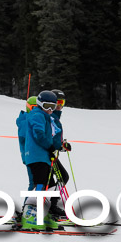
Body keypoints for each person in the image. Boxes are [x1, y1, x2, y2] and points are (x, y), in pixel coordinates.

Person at [21, 90, 63, 231]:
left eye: (53, 106)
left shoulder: (45, 116)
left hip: (43, 156)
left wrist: (57, 146)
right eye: (47, 106)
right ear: (39, 104)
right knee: (40, 184)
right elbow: (38, 134)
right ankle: (30, 216)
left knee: (49, 184)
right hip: (36, 155)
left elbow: (51, 134)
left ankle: (43, 214)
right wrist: (49, 146)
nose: (50, 109)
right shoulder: (37, 115)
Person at [48, 89, 72, 219]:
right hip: (48, 154)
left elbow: (55, 137)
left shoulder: (55, 117)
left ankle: (52, 206)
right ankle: (51, 207)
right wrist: (56, 146)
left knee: (61, 178)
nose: (59, 105)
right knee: (61, 177)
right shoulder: (51, 116)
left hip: (53, 154)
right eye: (57, 102)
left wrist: (62, 145)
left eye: (62, 102)